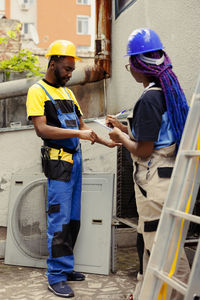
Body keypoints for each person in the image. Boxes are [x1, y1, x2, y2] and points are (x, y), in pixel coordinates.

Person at [26, 40, 117, 298]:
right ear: (52, 64)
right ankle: (55, 276)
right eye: (66, 69)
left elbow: (83, 128)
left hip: (75, 161)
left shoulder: (67, 93)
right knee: (59, 219)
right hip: (58, 163)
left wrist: (106, 141)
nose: (69, 74)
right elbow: (41, 129)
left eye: (71, 70)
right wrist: (78, 132)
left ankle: (65, 269)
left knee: (74, 219)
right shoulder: (38, 91)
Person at [106, 28, 190, 299]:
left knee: (163, 252)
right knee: (160, 247)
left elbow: (143, 151)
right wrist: (123, 127)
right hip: (171, 180)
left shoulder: (148, 98)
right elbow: (156, 138)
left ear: (137, 66)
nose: (129, 69)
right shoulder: (169, 91)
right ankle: (145, 292)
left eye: (129, 63)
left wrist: (119, 137)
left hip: (155, 186)